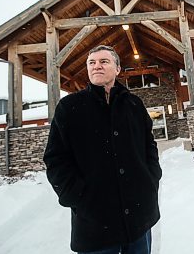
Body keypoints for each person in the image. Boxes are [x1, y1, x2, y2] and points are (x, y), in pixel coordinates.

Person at [43, 45, 162, 254]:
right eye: (92, 62)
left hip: (139, 217)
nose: (96, 66)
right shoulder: (69, 108)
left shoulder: (134, 105)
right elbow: (55, 159)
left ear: (117, 69)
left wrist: (151, 180)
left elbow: (149, 147)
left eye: (104, 61)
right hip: (95, 225)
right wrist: (78, 197)